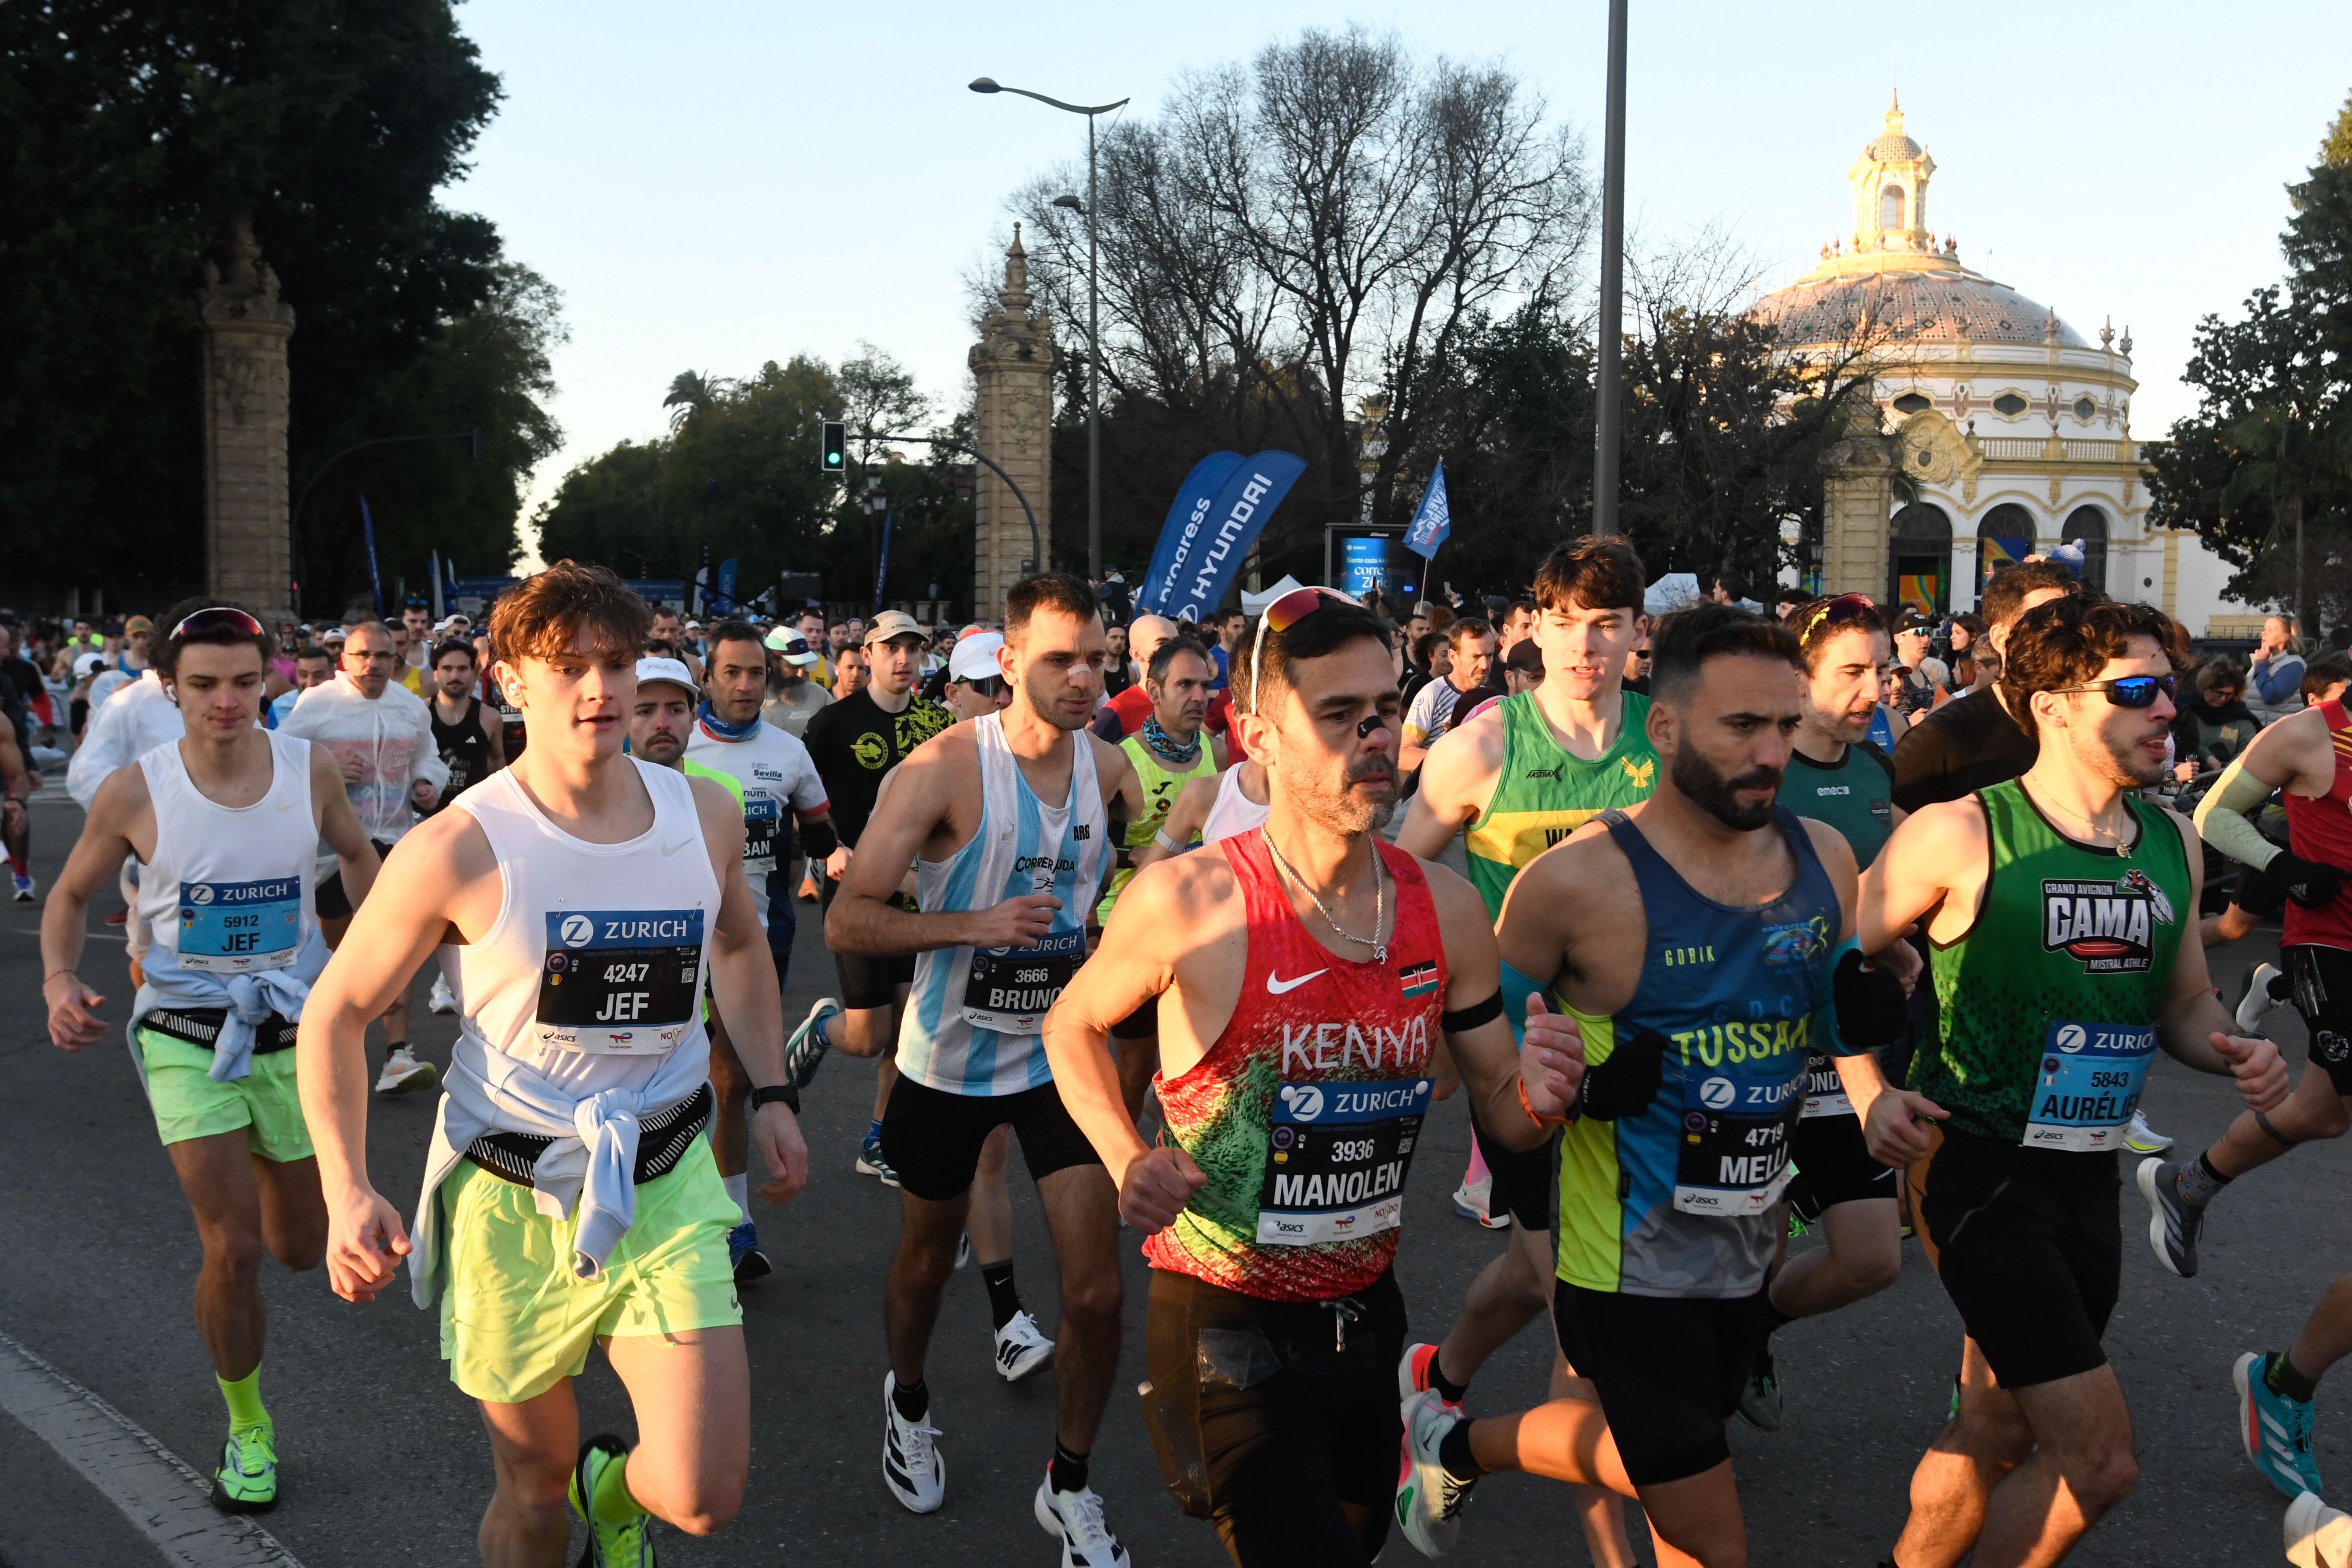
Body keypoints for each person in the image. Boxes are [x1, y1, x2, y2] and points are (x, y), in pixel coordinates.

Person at [1040, 584, 1581, 1567]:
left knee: (1354, 1540)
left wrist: (1540, 1097)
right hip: (1225, 1316)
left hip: (1367, 1309)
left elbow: (1501, 1110)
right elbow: (1071, 1022)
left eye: (1384, 710)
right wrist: (1125, 1157)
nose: (1374, 738)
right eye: (1339, 715)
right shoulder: (1191, 900)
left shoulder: (1447, 909)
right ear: (1258, 736)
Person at [297, 562, 808, 1568]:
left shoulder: (702, 812)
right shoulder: (458, 846)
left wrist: (774, 1090)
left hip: (665, 1174)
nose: (598, 689)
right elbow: (337, 1012)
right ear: (510, 680)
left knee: (703, 1493)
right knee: (531, 1494)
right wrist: (345, 1185)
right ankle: (570, 1491)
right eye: (566, 666)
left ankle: (607, 1488)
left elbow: (741, 947)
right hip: (511, 1193)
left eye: (616, 663)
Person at [1390, 603, 1908, 1567]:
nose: (1771, 754)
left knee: (1676, 1499)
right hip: (1623, 1260)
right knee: (1714, 1535)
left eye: (1783, 725)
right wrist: (1575, 1089)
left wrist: (1867, 1021)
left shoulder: (1823, 857)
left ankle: (1448, 1443)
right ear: (1663, 727)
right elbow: (1478, 1065)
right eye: (1741, 726)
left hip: (1748, 1246)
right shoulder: (1574, 884)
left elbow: (1828, 1018)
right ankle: (1453, 1441)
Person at [1864, 593, 2287, 1568]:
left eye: (2168, 689)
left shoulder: (2171, 840)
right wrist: (1866, 1088)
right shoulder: (1962, 832)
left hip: (2088, 1173)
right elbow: (1833, 957)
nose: (2166, 709)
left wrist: (2235, 1046)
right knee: (2097, 1465)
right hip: (1975, 1165)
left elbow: (2185, 1001)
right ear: (2052, 706)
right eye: (2134, 691)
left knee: (1996, 1424)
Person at [825, 573, 1145, 1565]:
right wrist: (974, 924)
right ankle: (908, 1398)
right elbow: (848, 919)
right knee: (926, 1262)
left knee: (1097, 1291)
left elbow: (1113, 889)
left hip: (1058, 1057)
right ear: (1008, 662)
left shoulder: (1110, 769)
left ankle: (1070, 1484)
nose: (1084, 678)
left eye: (1097, 659)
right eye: (1060, 659)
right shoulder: (941, 768)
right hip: (946, 1061)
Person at [41, 604, 380, 1514]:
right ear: (169, 688)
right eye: (203, 685)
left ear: (269, 680)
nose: (226, 701)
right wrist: (60, 978)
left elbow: (357, 855)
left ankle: (268, 1180)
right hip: (186, 1029)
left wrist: (378, 953)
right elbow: (68, 895)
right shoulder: (137, 791)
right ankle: (248, 1427)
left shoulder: (307, 769)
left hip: (292, 1026)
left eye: (243, 682)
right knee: (231, 1246)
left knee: (300, 1247)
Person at [1390, 535, 1655, 1566]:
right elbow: (1396, 881)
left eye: (1607, 623)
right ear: (1532, 629)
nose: (1585, 645)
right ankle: (1598, 1536)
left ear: (1636, 633)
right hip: (1515, 1069)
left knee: (1531, 1267)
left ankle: (1437, 1383)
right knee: (1586, 1315)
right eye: (1566, 622)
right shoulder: (1485, 746)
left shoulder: (1663, 742)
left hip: (1635, 1063)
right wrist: (1425, 1019)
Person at [1744, 593, 1912, 1430]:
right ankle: (1724, 1362)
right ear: (1799, 677)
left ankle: (1755, 1326)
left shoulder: (1877, 769)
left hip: (1847, 1053)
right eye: (1851, 671)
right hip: (1762, 1047)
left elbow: (1891, 883)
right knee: (1756, 1235)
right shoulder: (1758, 771)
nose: (1873, 689)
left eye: (1881, 669)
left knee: (1873, 1255)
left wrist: (1897, 940)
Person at [684, 620, 839, 1281]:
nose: (746, 685)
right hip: (678, 937)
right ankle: (702, 1212)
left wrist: (846, 861)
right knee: (688, 1077)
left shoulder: (789, 752)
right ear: (708, 678)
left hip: (755, 938)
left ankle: (733, 1224)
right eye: (733, 673)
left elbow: (823, 837)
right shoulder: (673, 746)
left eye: (756, 673)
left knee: (731, 1078)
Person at [801, 610, 953, 1183]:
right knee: (871, 1037)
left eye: (913, 648)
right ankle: (824, 1028)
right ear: (867, 654)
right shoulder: (833, 723)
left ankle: (879, 1139)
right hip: (859, 895)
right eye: (891, 648)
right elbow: (802, 798)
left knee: (911, 1030)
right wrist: (829, 852)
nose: (904, 659)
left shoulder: (937, 723)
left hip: (918, 895)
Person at [278, 621, 449, 1095]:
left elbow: (428, 757)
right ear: (344, 660)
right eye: (362, 655)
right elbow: (281, 757)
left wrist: (426, 783)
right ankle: (327, 1036)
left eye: (382, 656)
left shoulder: (410, 707)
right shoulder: (318, 703)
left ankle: (398, 1054)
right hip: (331, 848)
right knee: (339, 951)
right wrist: (328, 764)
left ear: (396, 660)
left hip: (393, 839)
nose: (372, 664)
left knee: (395, 942)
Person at [1096, 635, 1224, 1122]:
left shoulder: (1217, 752)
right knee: (1135, 1064)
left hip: (1199, 927)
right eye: (1185, 685)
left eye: (1205, 686)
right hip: (1129, 926)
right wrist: (1135, 854)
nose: (1199, 696)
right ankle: (1123, 1155)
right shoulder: (1121, 760)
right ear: (1153, 690)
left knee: (1196, 1058)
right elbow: (1086, 846)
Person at [1890, 560, 2082, 812]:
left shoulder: (2092, 722)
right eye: (2045, 623)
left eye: (2072, 622)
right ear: (2001, 638)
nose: (2067, 636)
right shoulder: (1940, 738)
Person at [1400, 618, 1498, 774]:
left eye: (1490, 656)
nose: (1485, 665)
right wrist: (1458, 763)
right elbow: (1404, 756)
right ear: (1453, 657)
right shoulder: (1432, 694)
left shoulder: (1495, 698)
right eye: (1475, 657)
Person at [426, 637, 507, 809]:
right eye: (447, 669)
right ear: (436, 674)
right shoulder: (419, 713)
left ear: (472, 673)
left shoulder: (490, 718)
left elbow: (498, 763)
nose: (455, 676)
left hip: (474, 813)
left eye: (462, 669)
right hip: (426, 814)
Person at [2169, 659, 2259, 781]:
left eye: (2229, 695)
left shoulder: (2241, 717)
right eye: (2219, 693)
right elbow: (2179, 740)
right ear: (2206, 687)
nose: (2223, 699)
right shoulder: (2185, 708)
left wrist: (2232, 767)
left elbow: (2249, 748)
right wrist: (2207, 756)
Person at [1092, 614, 1179, 740]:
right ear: (1137, 654)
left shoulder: (1191, 700)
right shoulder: (1117, 711)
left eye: (1177, 643)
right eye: (1162, 644)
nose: (1175, 651)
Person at [761, 629, 832, 737]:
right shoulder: (755, 697)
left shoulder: (818, 695)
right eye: (793, 667)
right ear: (771, 660)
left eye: (803, 666)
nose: (800, 673)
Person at [2252, 614, 2310, 725]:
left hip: (2278, 731)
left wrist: (2261, 666)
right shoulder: (2263, 660)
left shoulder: (2294, 666)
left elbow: (2271, 696)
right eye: (2265, 629)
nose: (2264, 633)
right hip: (2258, 729)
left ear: (2286, 637)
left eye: (2271, 630)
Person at [267, 645, 336, 729]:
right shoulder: (279, 707)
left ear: (333, 674)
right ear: (296, 674)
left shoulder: (344, 704)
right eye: (304, 675)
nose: (310, 684)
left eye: (318, 675)